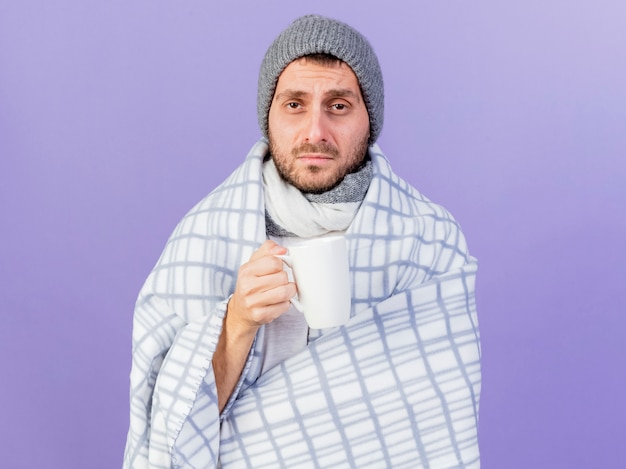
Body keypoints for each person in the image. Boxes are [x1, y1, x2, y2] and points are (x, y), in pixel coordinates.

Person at [124, 14, 481, 468]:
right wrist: (237, 321)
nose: (315, 131)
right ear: (268, 118)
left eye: (338, 105)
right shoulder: (204, 238)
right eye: (295, 104)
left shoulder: (428, 241)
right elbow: (165, 434)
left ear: (369, 119)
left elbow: (438, 429)